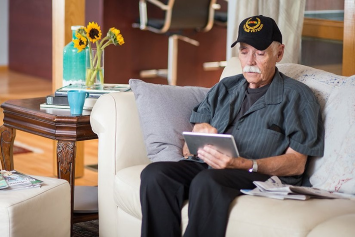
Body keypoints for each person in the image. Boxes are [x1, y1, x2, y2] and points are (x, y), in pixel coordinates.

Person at [140, 15, 324, 237]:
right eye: (244, 51)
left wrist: (244, 163)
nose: (250, 61)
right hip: (210, 166)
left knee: (207, 181)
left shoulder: (298, 97)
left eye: (260, 53)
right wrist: (200, 131)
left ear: (279, 53)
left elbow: (296, 165)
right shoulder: (226, 86)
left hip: (258, 175)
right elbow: (197, 129)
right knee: (156, 175)